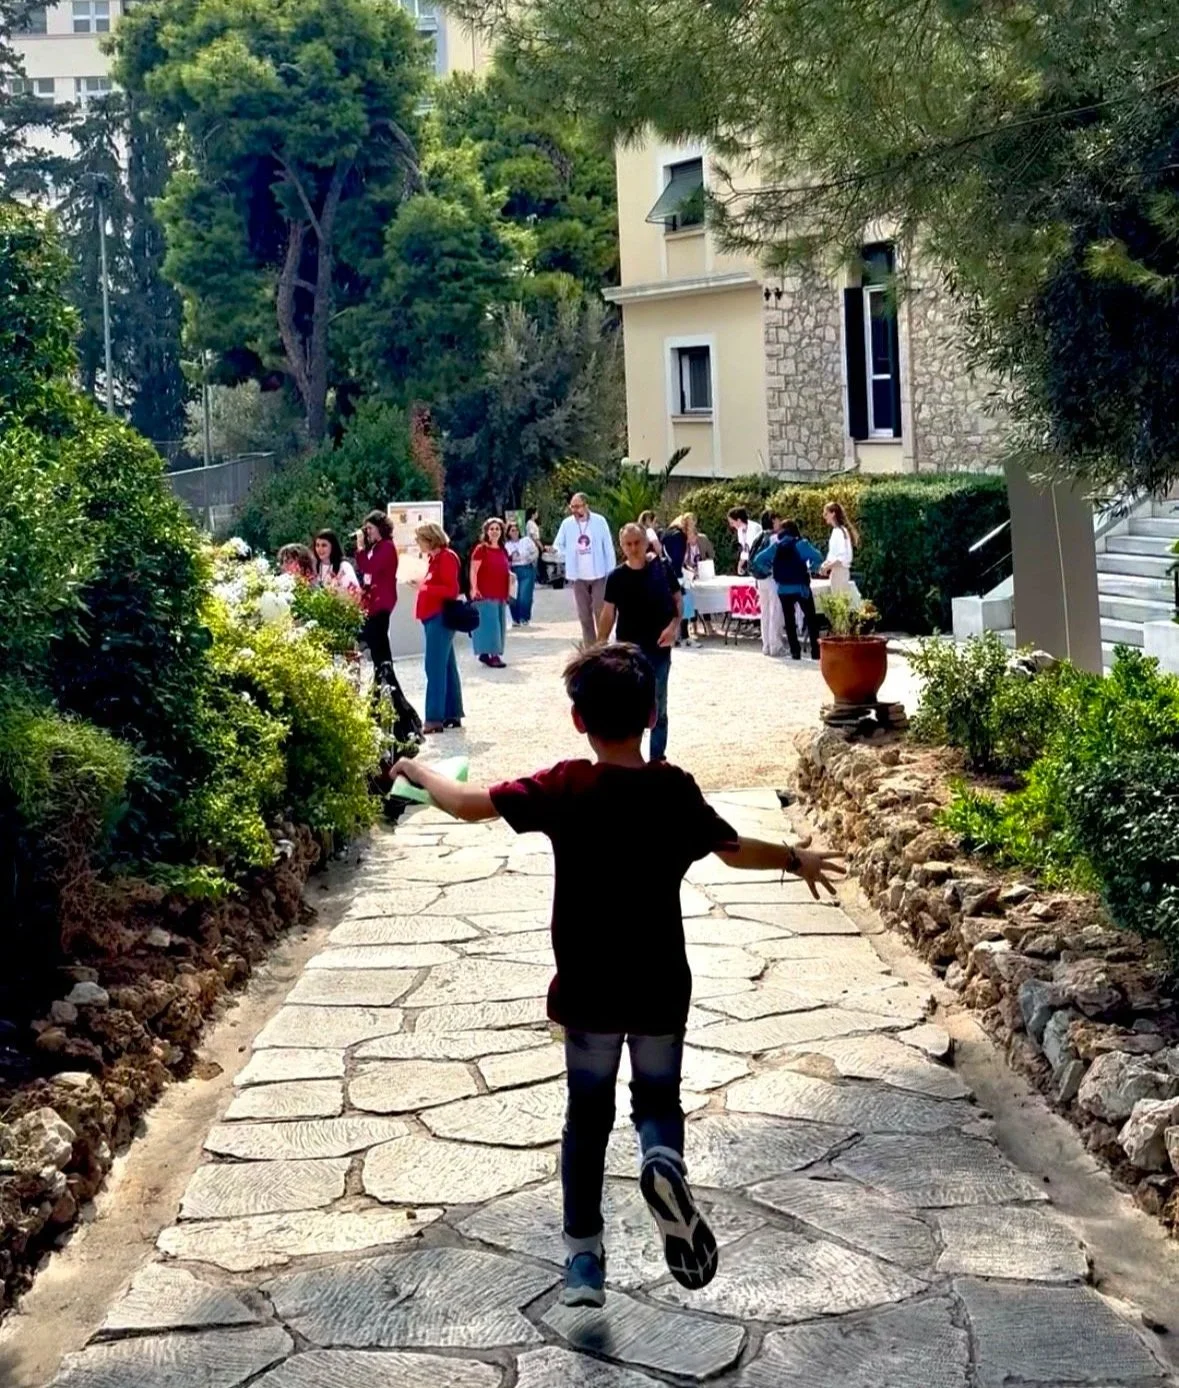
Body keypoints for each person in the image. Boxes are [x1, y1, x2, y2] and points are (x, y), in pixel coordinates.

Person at [389, 644, 845, 1309]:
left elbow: (465, 803)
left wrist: (415, 767)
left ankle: (583, 1262)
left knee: (587, 1118)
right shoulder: (673, 788)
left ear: (578, 720)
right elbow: (731, 850)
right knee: (657, 1102)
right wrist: (794, 857)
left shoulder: (565, 785)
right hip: (660, 980)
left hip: (589, 985)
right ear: (651, 714)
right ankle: (662, 1161)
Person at [597, 522, 681, 762]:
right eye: (628, 544)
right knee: (628, 706)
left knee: (658, 706)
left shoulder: (662, 569)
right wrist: (600, 645)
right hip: (628, 650)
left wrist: (674, 627)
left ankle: (657, 759)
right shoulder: (616, 577)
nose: (634, 548)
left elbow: (677, 601)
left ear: (646, 542)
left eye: (637, 543)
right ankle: (627, 758)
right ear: (622, 546)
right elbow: (608, 612)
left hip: (658, 647)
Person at [414, 522, 464, 733]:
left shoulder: (446, 557)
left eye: (420, 539)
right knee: (447, 667)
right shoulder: (434, 559)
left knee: (433, 667)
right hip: (432, 617)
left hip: (439, 617)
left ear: (429, 539)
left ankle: (434, 717)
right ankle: (452, 713)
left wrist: (424, 587)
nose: (417, 543)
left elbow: (451, 589)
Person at [554, 493, 616, 646]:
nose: (574, 510)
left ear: (586, 505)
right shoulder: (567, 524)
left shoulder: (599, 521)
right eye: (572, 507)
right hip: (578, 576)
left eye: (577, 506)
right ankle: (590, 649)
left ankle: (602, 644)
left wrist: (611, 572)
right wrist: (566, 554)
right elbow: (557, 545)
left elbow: (608, 547)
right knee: (584, 615)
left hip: (599, 574)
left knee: (600, 611)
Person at [354, 510, 399, 672]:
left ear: (380, 528)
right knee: (377, 645)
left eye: (370, 528)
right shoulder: (376, 547)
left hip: (382, 601)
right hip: (372, 601)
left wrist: (360, 548)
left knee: (380, 644)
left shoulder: (387, 547)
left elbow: (369, 567)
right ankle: (381, 679)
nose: (367, 532)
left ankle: (385, 679)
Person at [773, 520, 825, 660]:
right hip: (801, 587)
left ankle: (795, 652)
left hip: (783, 588)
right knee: (811, 619)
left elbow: (759, 559)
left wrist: (769, 570)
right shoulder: (802, 544)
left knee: (789, 621)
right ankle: (815, 651)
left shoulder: (776, 546)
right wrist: (811, 568)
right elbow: (818, 557)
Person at [470, 517, 512, 668]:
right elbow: (474, 570)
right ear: (486, 531)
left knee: (498, 623)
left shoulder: (503, 550)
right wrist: (474, 588)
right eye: (492, 529)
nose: (495, 532)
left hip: (500, 591)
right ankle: (493, 655)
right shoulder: (481, 549)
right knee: (490, 625)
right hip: (485, 592)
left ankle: (486, 654)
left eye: (498, 529)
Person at [748, 512, 786, 658]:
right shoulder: (774, 538)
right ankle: (775, 646)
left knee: (764, 612)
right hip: (772, 578)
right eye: (777, 519)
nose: (780, 522)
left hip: (760, 578)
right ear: (772, 521)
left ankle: (766, 645)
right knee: (775, 612)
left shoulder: (758, 537)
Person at [505, 520, 540, 626]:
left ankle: (524, 617)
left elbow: (535, 551)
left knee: (524, 595)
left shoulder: (526, 541)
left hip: (526, 569)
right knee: (513, 596)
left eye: (516, 530)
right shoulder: (507, 545)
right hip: (513, 570)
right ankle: (515, 618)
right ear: (508, 533)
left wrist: (530, 558)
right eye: (512, 530)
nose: (515, 532)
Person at [820, 501, 858, 591]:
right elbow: (834, 554)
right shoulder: (838, 531)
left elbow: (841, 557)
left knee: (839, 600)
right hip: (838, 571)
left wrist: (827, 567)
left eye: (826, 513)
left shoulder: (839, 532)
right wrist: (826, 564)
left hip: (839, 571)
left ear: (833, 514)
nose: (824, 516)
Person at [312, 529, 360, 596]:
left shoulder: (344, 566)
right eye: (317, 545)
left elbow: (355, 593)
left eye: (324, 545)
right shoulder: (313, 566)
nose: (320, 549)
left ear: (333, 546)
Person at [726, 507, 762, 576]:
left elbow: (755, 548)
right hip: (753, 564)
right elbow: (745, 548)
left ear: (739, 520)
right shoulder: (740, 530)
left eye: (732, 522)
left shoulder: (755, 528)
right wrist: (740, 564)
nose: (731, 525)